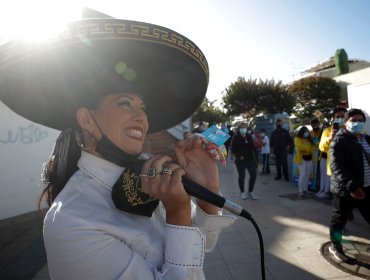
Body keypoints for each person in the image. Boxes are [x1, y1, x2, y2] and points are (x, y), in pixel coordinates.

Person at [0, 13, 236, 279]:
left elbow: (202, 245)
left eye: (143, 107)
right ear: (87, 119)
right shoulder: (72, 222)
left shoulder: (144, 174)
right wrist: (178, 211)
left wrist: (207, 195)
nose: (142, 118)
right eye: (125, 103)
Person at [329, 108, 370, 262]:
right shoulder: (340, 140)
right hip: (346, 190)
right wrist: (351, 186)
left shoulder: (366, 139)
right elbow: (337, 167)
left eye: (360, 121)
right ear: (346, 123)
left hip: (366, 188)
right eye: (354, 121)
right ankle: (336, 246)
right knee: (339, 220)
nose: (357, 123)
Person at [231, 123, 258, 200]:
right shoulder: (236, 137)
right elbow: (233, 149)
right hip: (240, 161)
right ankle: (242, 192)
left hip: (249, 159)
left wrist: (256, 159)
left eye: (245, 127)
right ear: (239, 129)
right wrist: (239, 156)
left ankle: (250, 191)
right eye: (241, 128)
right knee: (242, 176)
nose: (243, 129)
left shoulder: (249, 136)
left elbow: (253, 148)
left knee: (253, 174)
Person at [294, 126, 316, 199]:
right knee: (302, 175)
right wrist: (308, 148)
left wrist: (306, 149)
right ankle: (300, 192)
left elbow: (313, 148)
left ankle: (305, 190)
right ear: (302, 132)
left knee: (307, 175)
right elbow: (300, 147)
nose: (306, 133)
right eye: (305, 131)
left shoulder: (309, 139)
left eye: (307, 132)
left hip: (309, 159)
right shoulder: (297, 139)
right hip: (301, 159)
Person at [316, 121, 331, 198]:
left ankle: (326, 191)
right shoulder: (322, 135)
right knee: (323, 175)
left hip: (329, 158)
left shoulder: (330, 134)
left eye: (326, 126)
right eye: (323, 126)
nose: (324, 127)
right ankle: (321, 189)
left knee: (327, 176)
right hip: (322, 158)